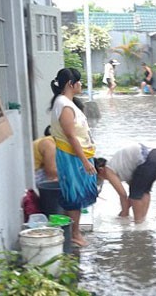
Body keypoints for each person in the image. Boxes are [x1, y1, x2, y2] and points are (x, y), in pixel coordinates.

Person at [49, 68, 98, 247]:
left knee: (78, 194)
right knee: (74, 195)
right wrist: (84, 161)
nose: (81, 84)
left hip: (78, 155)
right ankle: (75, 234)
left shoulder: (65, 102)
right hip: (72, 157)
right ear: (71, 84)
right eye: (79, 81)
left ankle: (75, 233)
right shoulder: (64, 105)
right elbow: (70, 136)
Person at [95, 143, 156, 223]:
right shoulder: (122, 168)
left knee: (136, 195)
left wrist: (124, 215)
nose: (103, 180)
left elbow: (123, 195)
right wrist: (123, 212)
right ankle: (142, 221)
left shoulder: (108, 170)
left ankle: (138, 225)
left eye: (98, 177)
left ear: (101, 170)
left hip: (149, 159)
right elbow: (132, 194)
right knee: (144, 191)